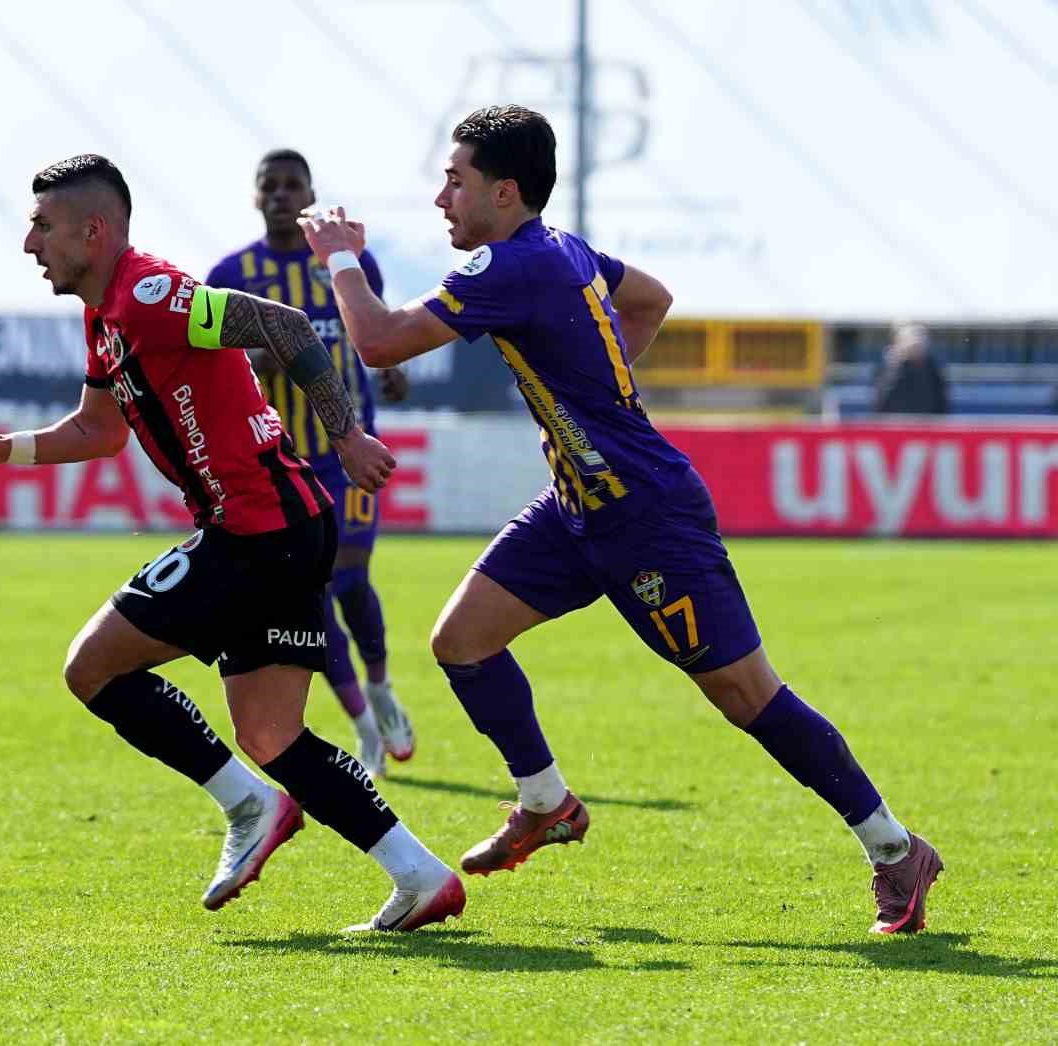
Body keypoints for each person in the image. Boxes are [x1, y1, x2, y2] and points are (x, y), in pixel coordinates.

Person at [298, 106, 941, 934]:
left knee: (747, 695)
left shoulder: (508, 264)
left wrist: (342, 258)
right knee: (462, 641)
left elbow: (380, 343)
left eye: (455, 180)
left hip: (646, 517)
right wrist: (589, 393)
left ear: (504, 191)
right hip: (576, 508)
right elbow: (650, 300)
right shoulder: (562, 248)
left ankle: (895, 849)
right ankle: (545, 801)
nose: (441, 197)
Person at [0, 154, 463, 932]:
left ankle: (251, 806)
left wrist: (346, 433)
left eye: (42, 225)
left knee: (94, 668)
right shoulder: (104, 314)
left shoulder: (149, 294)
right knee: (271, 734)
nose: (29, 243)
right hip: (276, 528)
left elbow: (281, 326)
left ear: (94, 229)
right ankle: (421, 876)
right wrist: (1, 448)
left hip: (259, 529)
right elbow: (97, 431)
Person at [206, 149, 415, 778]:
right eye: (268, 185)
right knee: (314, 594)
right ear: (254, 196)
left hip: (351, 448)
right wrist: (253, 363)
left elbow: (369, 328)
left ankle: (379, 686)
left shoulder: (345, 263)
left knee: (350, 579)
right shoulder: (230, 273)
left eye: (291, 185)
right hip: (283, 458)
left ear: (309, 195)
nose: (279, 194)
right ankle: (360, 721)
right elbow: (215, 362)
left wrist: (393, 367)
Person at [873, 323, 949, 415]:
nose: (916, 348)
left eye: (919, 344)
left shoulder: (933, 368)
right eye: (912, 344)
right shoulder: (890, 367)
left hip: (927, 424)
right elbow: (881, 403)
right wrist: (896, 365)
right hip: (896, 424)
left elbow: (941, 404)